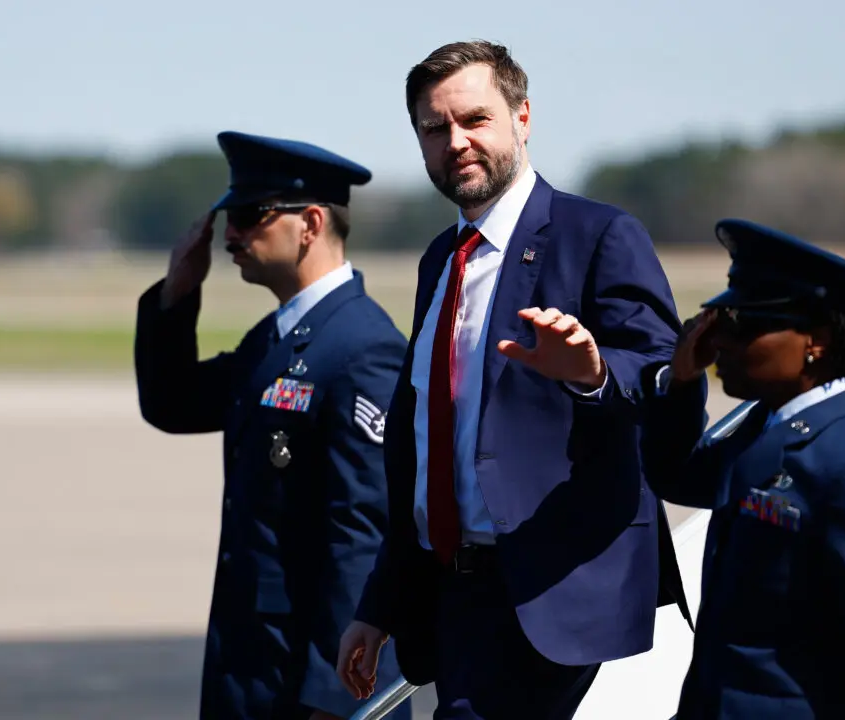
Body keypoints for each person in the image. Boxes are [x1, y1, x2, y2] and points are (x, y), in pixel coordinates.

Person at [336, 40, 692, 719]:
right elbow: (425, 446)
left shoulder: (598, 235)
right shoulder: (442, 259)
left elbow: (660, 371)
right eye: (435, 129)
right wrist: (380, 605)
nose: (456, 142)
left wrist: (591, 373)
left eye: (475, 120)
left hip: (544, 583)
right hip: (453, 589)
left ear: (522, 118)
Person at [134, 131, 410, 720]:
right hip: (254, 669)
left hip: (310, 685)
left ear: (310, 223)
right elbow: (174, 403)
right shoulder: (277, 338)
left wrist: (338, 700)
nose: (231, 234)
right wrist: (176, 298)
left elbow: (362, 534)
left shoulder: (362, 348)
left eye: (250, 215)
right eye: (228, 217)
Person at [640, 218, 845, 718]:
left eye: (744, 325)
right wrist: (681, 384)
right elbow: (679, 476)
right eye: (719, 322)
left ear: (818, 341)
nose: (720, 342)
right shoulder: (770, 427)